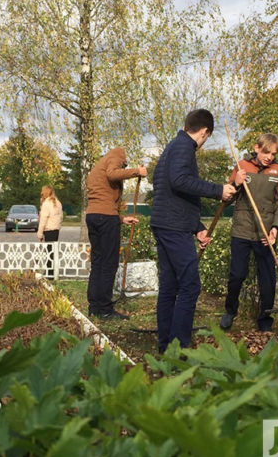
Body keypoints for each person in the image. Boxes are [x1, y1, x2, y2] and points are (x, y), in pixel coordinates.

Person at [150, 109, 235, 352]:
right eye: (207, 137)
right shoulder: (184, 147)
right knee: (189, 286)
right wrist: (218, 190)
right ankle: (179, 348)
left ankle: (166, 346)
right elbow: (180, 181)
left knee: (169, 287)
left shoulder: (171, 147)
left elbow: (169, 191)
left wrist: (197, 227)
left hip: (167, 223)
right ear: (205, 132)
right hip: (173, 228)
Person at [220, 133, 278, 333]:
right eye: (266, 152)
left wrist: (275, 228)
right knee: (237, 275)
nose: (269, 157)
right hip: (242, 230)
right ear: (257, 148)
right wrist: (236, 184)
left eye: (273, 154)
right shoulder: (242, 166)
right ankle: (230, 311)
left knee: (267, 279)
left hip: (266, 233)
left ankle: (265, 319)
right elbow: (226, 200)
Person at [86, 147, 146, 319]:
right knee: (109, 264)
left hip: (93, 216)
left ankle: (94, 306)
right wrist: (137, 172)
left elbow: (101, 200)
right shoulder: (115, 156)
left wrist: (120, 219)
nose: (124, 165)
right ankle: (105, 309)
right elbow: (113, 174)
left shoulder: (98, 167)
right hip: (106, 218)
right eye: (124, 163)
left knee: (97, 262)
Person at [37, 185, 63, 278]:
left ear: (45, 192)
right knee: (53, 252)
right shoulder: (58, 202)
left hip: (48, 230)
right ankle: (52, 272)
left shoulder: (46, 204)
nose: (41, 193)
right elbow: (61, 217)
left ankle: (49, 273)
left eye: (42, 191)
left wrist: (39, 233)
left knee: (49, 252)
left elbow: (43, 220)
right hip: (56, 229)